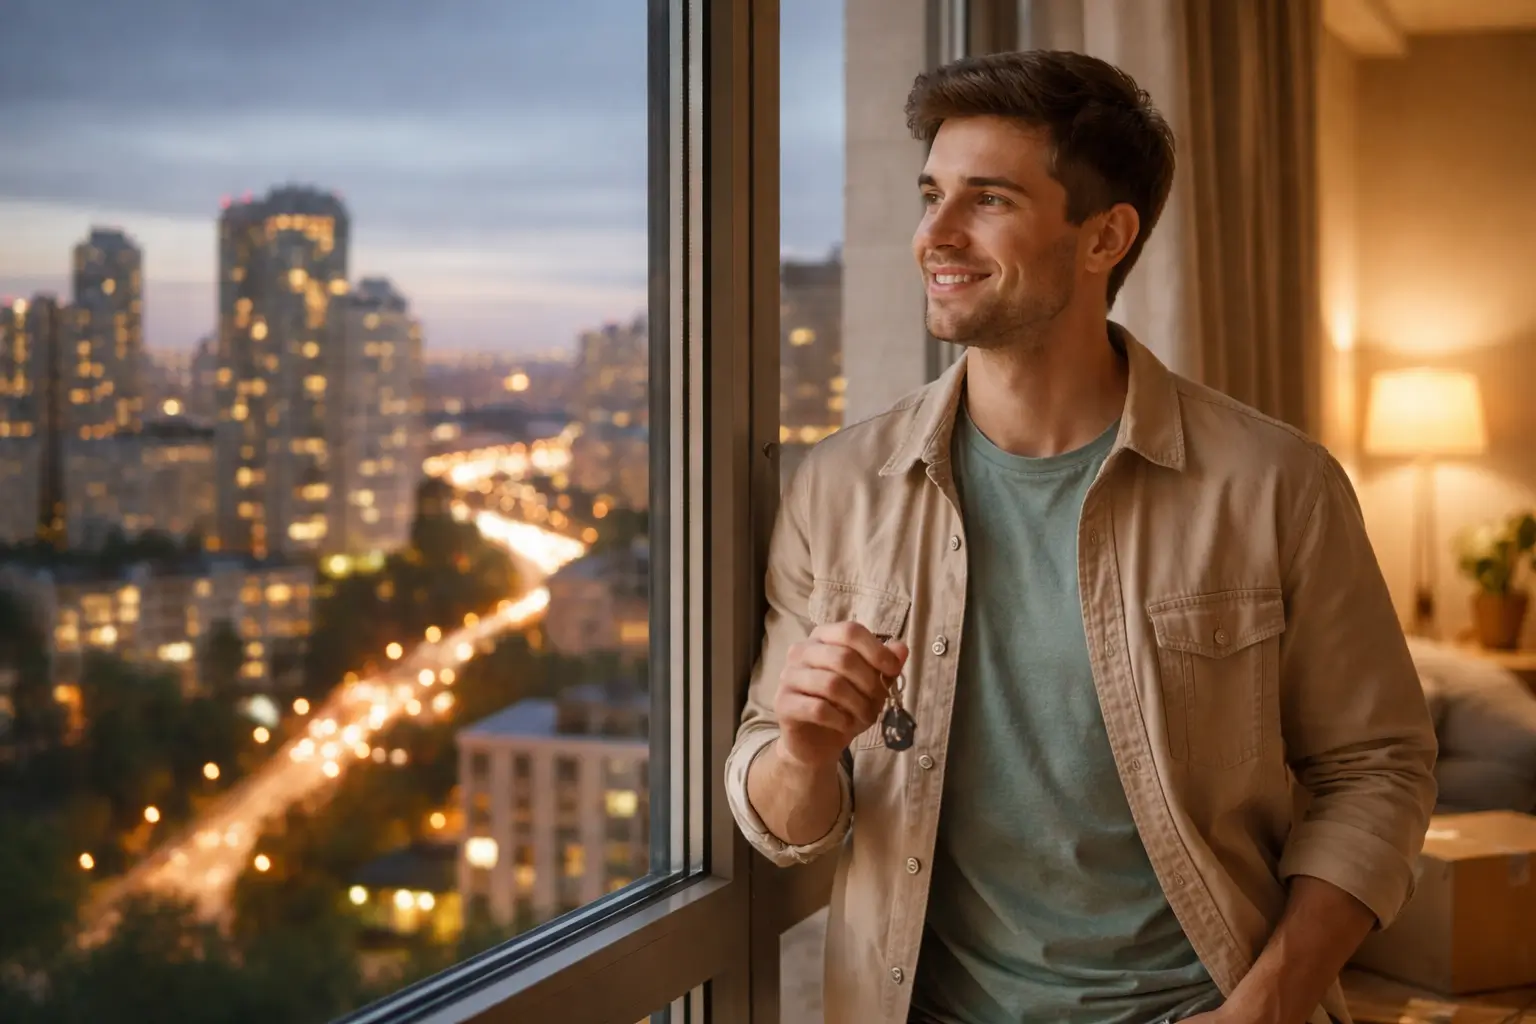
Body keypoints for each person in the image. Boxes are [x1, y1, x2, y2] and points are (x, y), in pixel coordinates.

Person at [725, 49, 1437, 1024]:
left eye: (989, 200)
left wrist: (1268, 1004)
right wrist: (804, 749)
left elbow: (1378, 769)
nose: (935, 232)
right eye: (931, 193)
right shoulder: (837, 487)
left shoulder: (1278, 483)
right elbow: (783, 825)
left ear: (1105, 237)